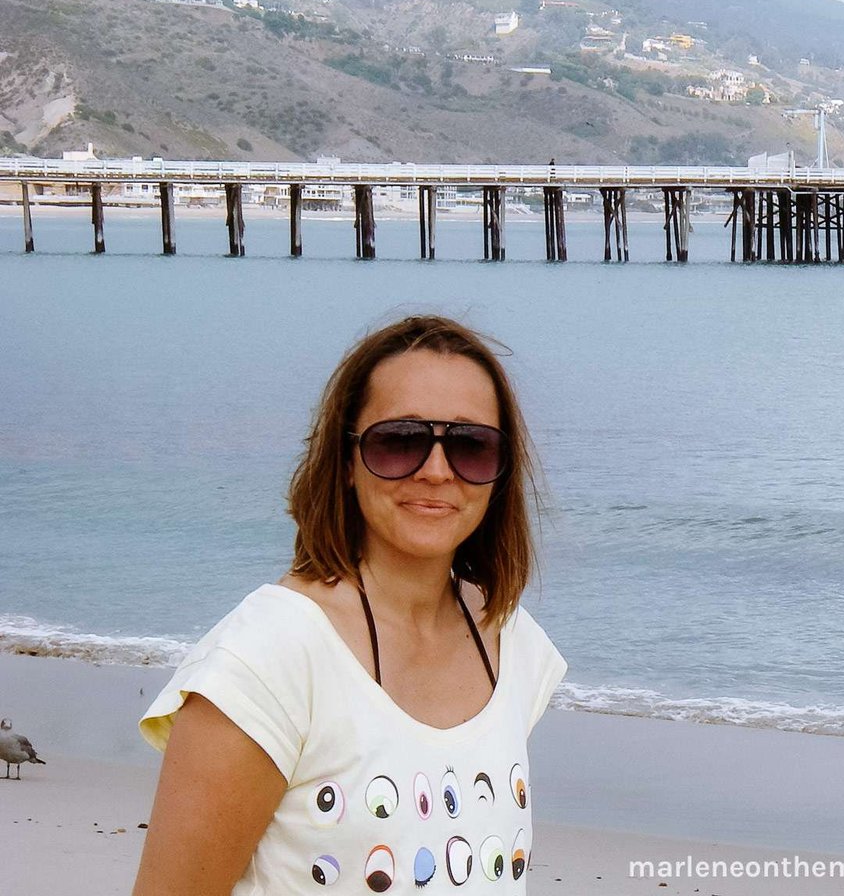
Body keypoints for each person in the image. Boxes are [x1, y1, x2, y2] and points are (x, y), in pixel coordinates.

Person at [133, 314, 567, 895]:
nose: (437, 471)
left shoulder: (513, 645)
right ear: (344, 460)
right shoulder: (268, 659)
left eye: (471, 446)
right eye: (399, 441)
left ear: (502, 469)